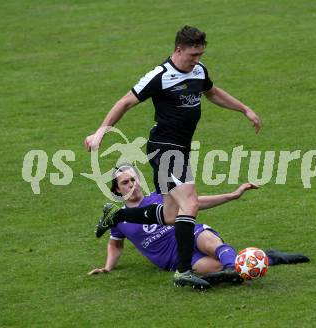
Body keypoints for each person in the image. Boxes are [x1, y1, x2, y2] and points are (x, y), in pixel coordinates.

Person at [85, 26, 261, 289]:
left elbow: (212, 92)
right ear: (178, 50)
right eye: (193, 55)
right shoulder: (160, 75)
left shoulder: (198, 71)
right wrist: (101, 131)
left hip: (181, 149)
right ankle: (183, 271)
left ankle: (117, 216)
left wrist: (244, 109)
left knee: (170, 215)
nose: (197, 60)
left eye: (200, 54)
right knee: (190, 205)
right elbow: (124, 102)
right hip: (165, 148)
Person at [88, 165, 310, 285]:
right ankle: (267, 257)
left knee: (207, 241)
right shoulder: (119, 217)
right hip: (176, 259)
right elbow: (115, 245)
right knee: (225, 271)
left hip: (190, 234)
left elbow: (195, 203)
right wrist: (108, 267)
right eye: (125, 182)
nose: (132, 185)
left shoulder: (159, 198)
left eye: (134, 179)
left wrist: (232, 195)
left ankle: (257, 259)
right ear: (117, 189)